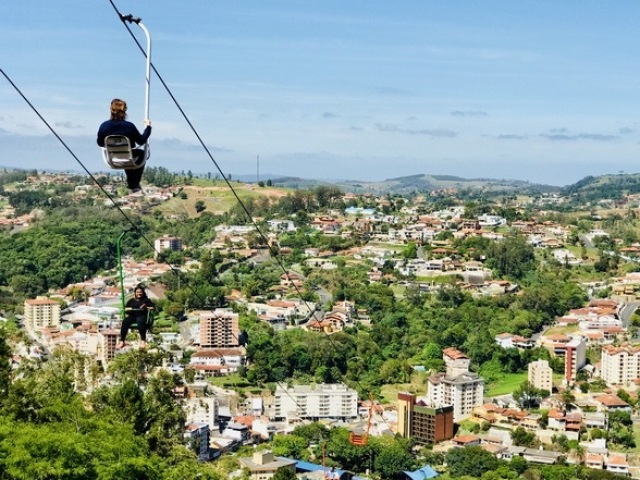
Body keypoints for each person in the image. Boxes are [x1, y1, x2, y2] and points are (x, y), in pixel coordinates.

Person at [97, 98, 151, 193]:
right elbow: (141, 141)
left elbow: (100, 143)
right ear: (124, 111)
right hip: (127, 156)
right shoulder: (129, 126)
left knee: (128, 154)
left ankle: (132, 184)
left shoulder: (104, 126)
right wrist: (148, 128)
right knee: (140, 154)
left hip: (112, 157)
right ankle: (133, 183)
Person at [118, 284, 154, 349]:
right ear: (135, 293)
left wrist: (145, 307)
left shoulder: (146, 300)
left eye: (140, 292)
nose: (139, 294)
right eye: (137, 292)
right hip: (133, 316)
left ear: (143, 293)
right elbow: (126, 308)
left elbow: (152, 307)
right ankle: (122, 341)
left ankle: (143, 340)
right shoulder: (131, 301)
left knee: (140, 322)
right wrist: (128, 309)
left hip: (141, 315)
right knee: (125, 322)